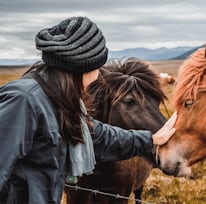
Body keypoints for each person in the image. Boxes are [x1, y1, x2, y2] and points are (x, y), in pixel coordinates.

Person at [0, 16, 177, 203]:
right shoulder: (24, 100)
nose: (99, 75)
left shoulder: (59, 100)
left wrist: (150, 139)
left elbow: (98, 137)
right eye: (97, 67)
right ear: (81, 68)